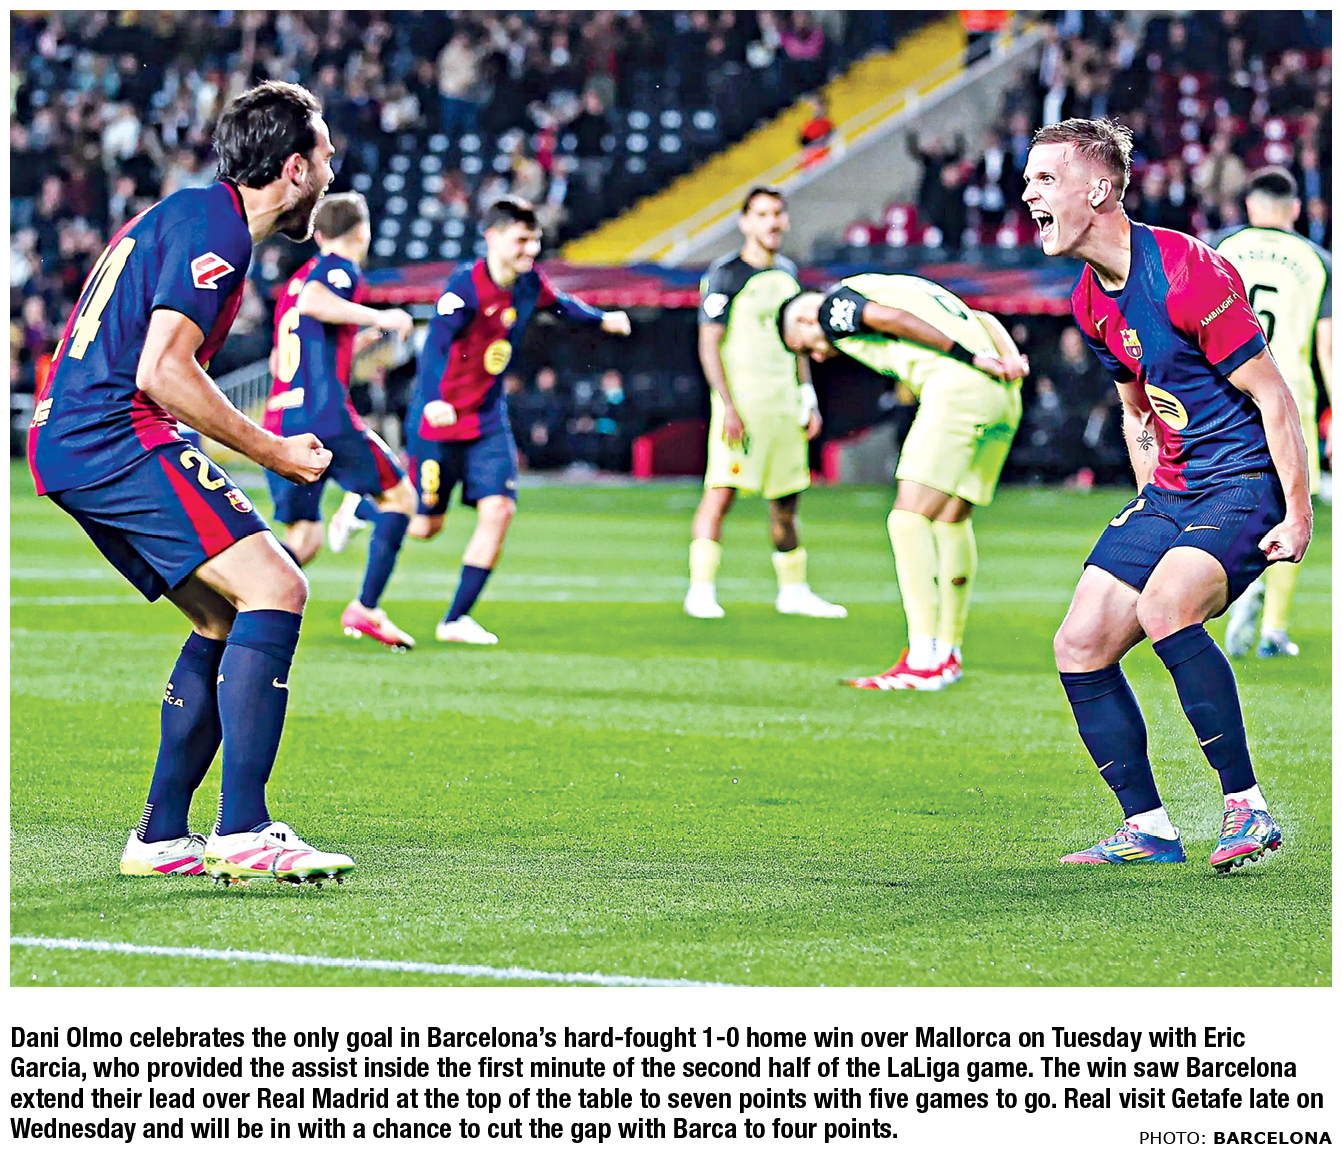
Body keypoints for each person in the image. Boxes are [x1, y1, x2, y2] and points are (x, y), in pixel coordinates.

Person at [26, 81, 355, 883]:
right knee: (278, 585)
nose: (332, 170)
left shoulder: (192, 215)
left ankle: (160, 834)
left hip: (73, 434)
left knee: (222, 614)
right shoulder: (219, 231)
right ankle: (243, 828)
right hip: (112, 430)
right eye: (325, 156)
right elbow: (164, 370)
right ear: (295, 168)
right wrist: (273, 451)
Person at [1023, 118, 1310, 870]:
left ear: (1099, 189)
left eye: (1045, 179)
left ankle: (1248, 809)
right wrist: (1151, 507)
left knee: (1165, 607)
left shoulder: (1187, 271)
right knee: (1079, 643)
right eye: (1027, 180)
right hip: (1175, 493)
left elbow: (1275, 397)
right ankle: (1148, 828)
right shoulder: (1090, 300)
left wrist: (1298, 513)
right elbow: (1137, 413)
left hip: (1243, 481)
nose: (1028, 194)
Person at [779, 276, 1027, 688]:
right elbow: (980, 316)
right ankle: (947, 654)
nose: (818, 357)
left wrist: (969, 357)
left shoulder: (829, 307)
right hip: (1003, 396)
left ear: (805, 320)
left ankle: (921, 658)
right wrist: (1009, 357)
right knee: (950, 521)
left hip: (958, 390)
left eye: (806, 348)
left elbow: (891, 319)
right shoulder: (895, 284)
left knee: (907, 519)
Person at [406, 196, 630, 644]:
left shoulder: (528, 284)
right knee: (424, 526)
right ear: (493, 238)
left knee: (500, 509)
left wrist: (602, 320)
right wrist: (433, 399)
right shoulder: (464, 287)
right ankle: (368, 508)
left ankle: (455, 620)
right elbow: (435, 346)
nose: (532, 249)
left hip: (487, 418)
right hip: (440, 420)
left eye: (535, 240)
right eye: (522, 240)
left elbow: (560, 304)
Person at [261, 192, 417, 650]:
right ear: (362, 231)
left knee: (305, 538)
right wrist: (382, 315)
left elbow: (280, 359)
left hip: (281, 417)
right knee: (401, 497)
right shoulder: (338, 270)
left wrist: (358, 337)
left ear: (319, 234)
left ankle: (241, 596)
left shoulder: (294, 281)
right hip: (324, 418)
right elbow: (315, 302)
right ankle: (366, 608)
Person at [686, 186, 845, 620]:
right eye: (761, 214)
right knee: (721, 494)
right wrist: (727, 404)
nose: (772, 222)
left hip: (783, 405)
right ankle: (700, 590)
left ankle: (793, 592)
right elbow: (709, 343)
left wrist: (808, 398)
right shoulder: (725, 275)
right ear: (745, 222)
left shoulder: (788, 275)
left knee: (786, 502)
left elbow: (799, 344)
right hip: (742, 406)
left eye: (777, 213)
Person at [1217, 167, 1331, 659]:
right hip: (1291, 397)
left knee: (1225, 499)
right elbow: (1329, 348)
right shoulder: (1319, 260)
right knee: (1293, 508)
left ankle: (1233, 589)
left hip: (1227, 395)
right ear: (1296, 210)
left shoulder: (1219, 249)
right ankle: (1273, 630)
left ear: (1249, 205)